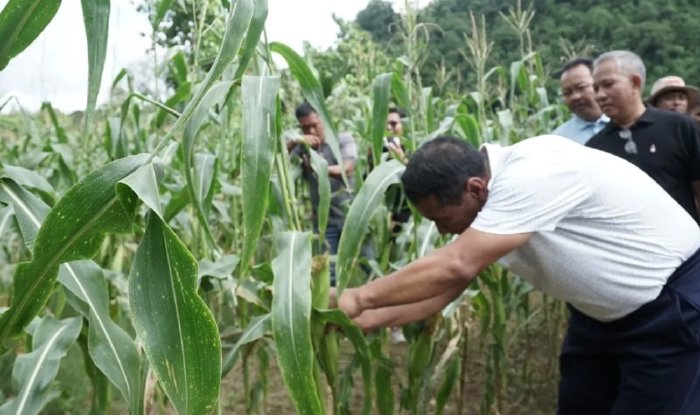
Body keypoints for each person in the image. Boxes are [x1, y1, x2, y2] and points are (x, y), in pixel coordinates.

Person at [337, 135, 700, 414]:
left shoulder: (533, 172)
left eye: (442, 220)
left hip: (670, 307)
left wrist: (356, 297)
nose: (443, 232)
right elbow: (443, 290)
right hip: (599, 316)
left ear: (475, 189)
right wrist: (366, 319)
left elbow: (455, 264)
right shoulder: (488, 204)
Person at [586, 50, 700, 225]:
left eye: (608, 84)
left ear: (635, 83)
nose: (600, 95)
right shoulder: (595, 150)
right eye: (596, 88)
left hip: (687, 247)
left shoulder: (680, 127)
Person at [287, 102, 358, 286]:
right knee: (329, 275)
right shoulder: (303, 147)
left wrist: (316, 166)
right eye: (305, 128)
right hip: (325, 222)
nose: (311, 130)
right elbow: (279, 159)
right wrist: (295, 140)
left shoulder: (342, 139)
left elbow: (347, 169)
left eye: (314, 125)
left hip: (352, 216)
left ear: (323, 120)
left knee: (366, 263)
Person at [552, 58, 609, 145]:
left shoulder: (625, 123)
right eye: (567, 92)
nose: (575, 97)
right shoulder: (559, 139)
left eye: (581, 87)